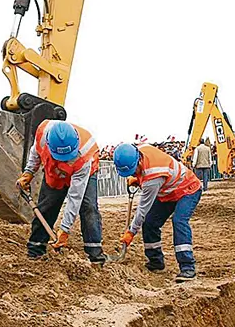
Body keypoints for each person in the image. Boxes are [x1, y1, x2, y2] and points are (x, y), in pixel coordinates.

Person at [16, 120, 106, 264]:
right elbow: (35, 153)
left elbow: (74, 198)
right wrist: (29, 172)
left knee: (88, 207)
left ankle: (95, 254)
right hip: (55, 172)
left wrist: (64, 229)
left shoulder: (84, 154)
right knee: (46, 206)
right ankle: (36, 249)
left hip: (85, 173)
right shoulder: (43, 135)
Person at [112, 142, 202, 282]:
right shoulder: (140, 150)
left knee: (179, 221)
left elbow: (142, 209)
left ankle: (187, 267)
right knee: (150, 223)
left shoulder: (153, 177)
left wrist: (131, 232)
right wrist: (137, 177)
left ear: (139, 160)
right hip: (167, 193)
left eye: (134, 170)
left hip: (187, 189)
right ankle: (156, 262)